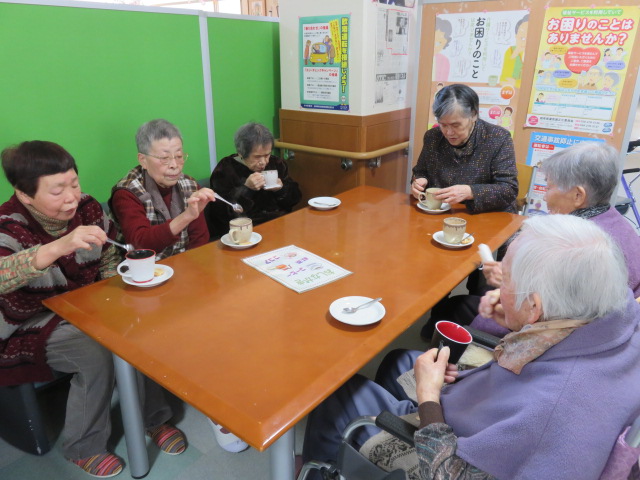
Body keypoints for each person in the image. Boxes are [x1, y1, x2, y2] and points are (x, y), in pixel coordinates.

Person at [303, 214, 640, 480]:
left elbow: (449, 473)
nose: (496, 286)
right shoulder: (617, 315)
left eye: (505, 280)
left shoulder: (552, 413)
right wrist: (516, 320)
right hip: (488, 403)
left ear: (535, 307)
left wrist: (429, 399)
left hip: (455, 452)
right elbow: (538, 358)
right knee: (397, 361)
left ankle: (321, 471)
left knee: (338, 396)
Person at [0, 141, 185, 478]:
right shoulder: (8, 225)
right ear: (25, 195)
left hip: (83, 305)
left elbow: (110, 259)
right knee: (94, 349)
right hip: (28, 323)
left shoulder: (87, 209)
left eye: (74, 183)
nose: (72, 196)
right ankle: (83, 446)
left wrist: (119, 293)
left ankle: (154, 419)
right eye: (58, 191)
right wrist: (57, 246)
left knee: (138, 324)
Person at [453, 142, 640, 338]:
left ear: (578, 195)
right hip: (604, 331)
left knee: (457, 308)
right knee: (476, 295)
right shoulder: (617, 224)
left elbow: (549, 318)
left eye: (549, 187)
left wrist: (512, 283)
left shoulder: (581, 248)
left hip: (549, 337)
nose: (544, 196)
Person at [109, 119, 215, 259]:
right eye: (164, 158)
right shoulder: (127, 193)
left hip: (185, 265)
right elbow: (140, 244)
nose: (174, 165)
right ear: (143, 160)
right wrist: (187, 216)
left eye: (178, 156)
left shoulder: (190, 185)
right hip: (144, 271)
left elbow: (199, 240)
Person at [410, 83, 518, 214]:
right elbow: (421, 171)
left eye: (456, 125)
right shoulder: (433, 137)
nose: (448, 132)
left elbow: (509, 189)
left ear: (473, 115)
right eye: (443, 125)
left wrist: (470, 192)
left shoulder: (497, 138)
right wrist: (420, 182)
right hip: (442, 214)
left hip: (486, 216)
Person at [205, 122, 301, 239]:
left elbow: (296, 199)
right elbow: (221, 214)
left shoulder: (276, 164)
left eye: (267, 155)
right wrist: (246, 189)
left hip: (280, 225)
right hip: (246, 232)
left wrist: (281, 189)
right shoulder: (225, 169)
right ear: (241, 153)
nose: (263, 162)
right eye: (257, 157)